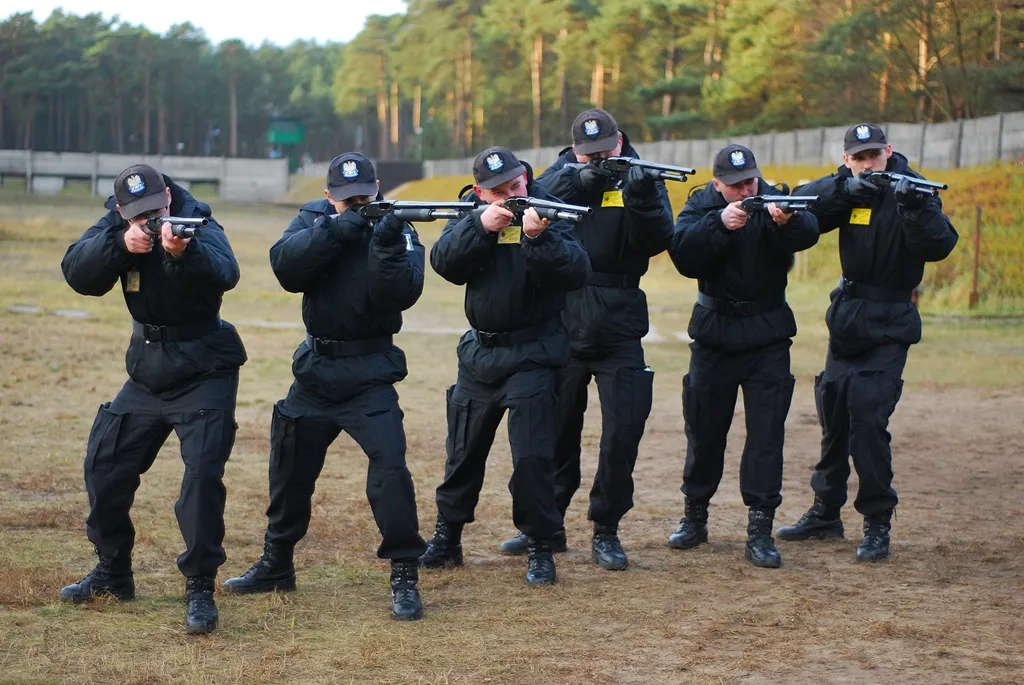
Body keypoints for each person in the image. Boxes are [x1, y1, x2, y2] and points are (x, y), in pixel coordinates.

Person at [222, 152, 429, 620]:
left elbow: (400, 295)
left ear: (378, 187)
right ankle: (277, 563)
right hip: (315, 371)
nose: (356, 205)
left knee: (390, 471)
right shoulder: (313, 219)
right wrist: (337, 229)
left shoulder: (398, 227)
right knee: (289, 470)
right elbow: (286, 269)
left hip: (370, 370)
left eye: (364, 197)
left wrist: (388, 244)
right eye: (345, 200)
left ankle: (404, 573)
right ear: (327, 196)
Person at [59, 164, 247, 634]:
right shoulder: (117, 227)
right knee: (105, 464)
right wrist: (120, 245)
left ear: (169, 195)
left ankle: (200, 587)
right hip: (145, 370)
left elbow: (227, 272)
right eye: (138, 214)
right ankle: (113, 572)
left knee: (201, 479)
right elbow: (77, 271)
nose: (151, 218)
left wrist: (183, 252)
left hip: (204, 367)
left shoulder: (196, 219)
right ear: (122, 210)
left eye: (157, 209)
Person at [494, 108, 673, 570]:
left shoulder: (643, 175)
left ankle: (606, 529)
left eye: (605, 152)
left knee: (621, 433)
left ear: (619, 141)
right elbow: (535, 200)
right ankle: (546, 527)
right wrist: (582, 183)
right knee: (555, 432)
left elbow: (660, 239)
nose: (598, 159)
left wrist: (642, 197)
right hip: (565, 318)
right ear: (575, 150)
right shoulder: (560, 176)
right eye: (587, 154)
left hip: (620, 318)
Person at [779, 124, 958, 561]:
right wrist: (845, 188)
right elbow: (803, 209)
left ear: (889, 151)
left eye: (874, 155)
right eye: (858, 158)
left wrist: (915, 208)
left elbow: (941, 244)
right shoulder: (849, 187)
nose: (868, 162)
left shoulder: (914, 189)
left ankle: (877, 522)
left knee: (867, 420)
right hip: (848, 318)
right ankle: (825, 513)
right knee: (834, 413)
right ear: (847, 160)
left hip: (891, 321)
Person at [419, 145, 591, 585]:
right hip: (480, 354)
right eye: (499, 191)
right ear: (481, 191)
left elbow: (577, 272)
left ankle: (539, 545)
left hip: (533, 351)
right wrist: (479, 227)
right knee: (463, 451)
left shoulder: (550, 212)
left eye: (516, 185)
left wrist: (539, 238)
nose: (512, 194)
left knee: (533, 457)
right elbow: (444, 264)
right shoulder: (472, 214)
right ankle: (447, 537)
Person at [666, 145, 819, 568]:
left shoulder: (774, 198)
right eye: (734, 185)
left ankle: (760, 529)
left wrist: (784, 220)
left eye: (749, 181)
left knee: (766, 435)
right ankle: (695, 517)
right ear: (717, 184)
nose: (744, 189)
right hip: (714, 336)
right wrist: (718, 224)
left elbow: (809, 231)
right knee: (703, 431)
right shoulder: (702, 203)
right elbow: (681, 252)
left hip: (767, 336)